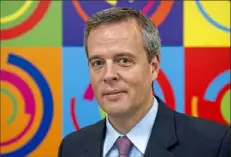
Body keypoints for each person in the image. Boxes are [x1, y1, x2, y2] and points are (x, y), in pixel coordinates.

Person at [58, 7, 230, 157]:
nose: (108, 75)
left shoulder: (214, 145)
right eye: (98, 63)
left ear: (153, 67)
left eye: (124, 60)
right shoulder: (72, 147)